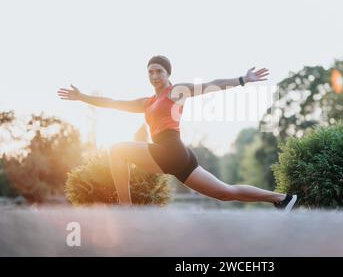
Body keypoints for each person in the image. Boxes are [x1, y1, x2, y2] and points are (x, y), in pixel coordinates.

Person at [57, 55, 300, 211]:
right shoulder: (147, 101)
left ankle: (126, 209)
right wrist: (81, 97)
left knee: (117, 151)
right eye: (150, 72)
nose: (154, 76)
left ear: (168, 74)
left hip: (170, 150)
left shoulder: (176, 91)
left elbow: (210, 86)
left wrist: (242, 79)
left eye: (159, 71)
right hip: (178, 156)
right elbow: (114, 102)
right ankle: (282, 198)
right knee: (225, 193)